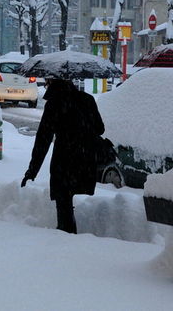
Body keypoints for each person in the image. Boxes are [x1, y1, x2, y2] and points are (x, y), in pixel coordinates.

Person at [21, 78, 105, 234]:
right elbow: (100, 129)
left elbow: (43, 140)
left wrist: (32, 171)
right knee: (68, 197)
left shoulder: (54, 103)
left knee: (63, 201)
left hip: (64, 159)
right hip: (85, 158)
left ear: (52, 84)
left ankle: (66, 238)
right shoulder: (87, 99)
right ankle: (68, 236)